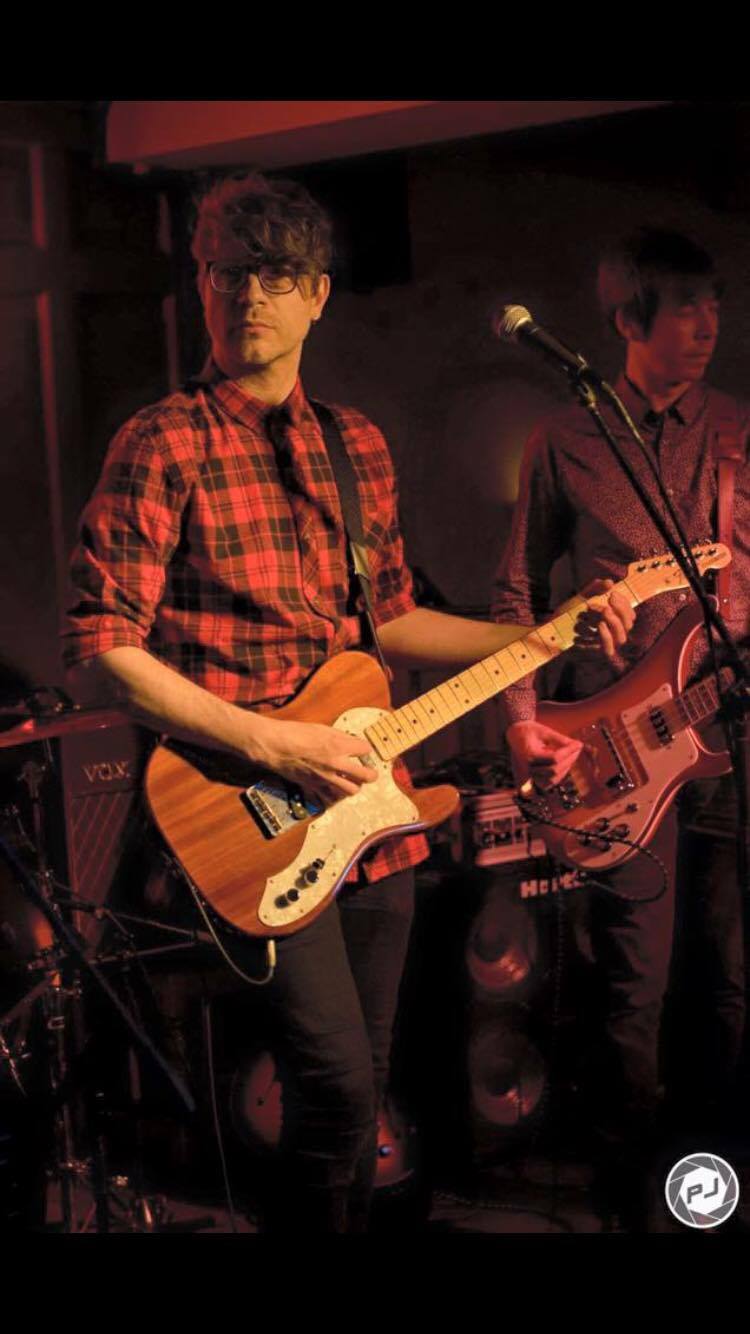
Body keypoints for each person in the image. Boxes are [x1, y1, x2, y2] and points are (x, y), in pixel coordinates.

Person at [62, 171, 631, 1234]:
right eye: (229, 272)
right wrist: (275, 741)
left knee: (363, 1095)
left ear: (317, 293)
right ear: (201, 281)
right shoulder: (163, 441)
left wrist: (542, 635)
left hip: (369, 812)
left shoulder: (353, 444)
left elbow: (389, 622)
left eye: (275, 275)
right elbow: (102, 650)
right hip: (245, 808)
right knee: (327, 1083)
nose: (248, 297)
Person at [492, 226, 749, 1230]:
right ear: (627, 320)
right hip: (618, 750)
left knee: (729, 978)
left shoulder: (738, 430)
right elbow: (515, 586)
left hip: (727, 733)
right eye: (684, 304)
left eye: (715, 302)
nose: (708, 323)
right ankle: (627, 1201)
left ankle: (712, 1193)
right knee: (630, 989)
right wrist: (521, 718)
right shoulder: (566, 438)